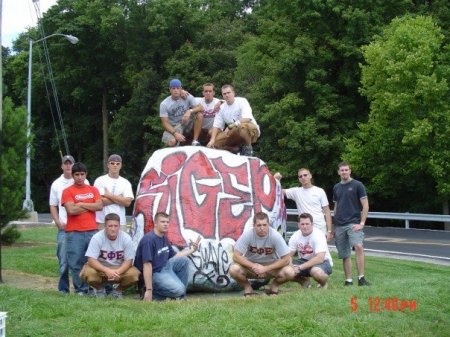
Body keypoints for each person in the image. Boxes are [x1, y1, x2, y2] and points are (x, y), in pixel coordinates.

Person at [134, 212, 201, 301]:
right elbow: (147, 265)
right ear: (156, 223)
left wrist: (192, 250)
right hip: (154, 273)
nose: (166, 224)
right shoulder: (148, 240)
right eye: (162, 222)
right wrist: (149, 289)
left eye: (167, 222)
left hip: (165, 268)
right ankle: (151, 294)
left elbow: (175, 256)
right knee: (179, 289)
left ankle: (181, 296)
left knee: (184, 261)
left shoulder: (163, 237)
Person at [229, 211, 294, 296]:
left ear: (268, 225)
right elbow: (236, 256)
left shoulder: (275, 235)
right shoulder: (248, 234)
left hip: (271, 267)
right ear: (254, 226)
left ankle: (274, 286)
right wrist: (253, 266)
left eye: (264, 225)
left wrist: (265, 268)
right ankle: (248, 288)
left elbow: (286, 259)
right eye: (259, 225)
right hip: (251, 267)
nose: (262, 228)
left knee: (289, 272)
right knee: (233, 269)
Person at [62, 162, 103, 295]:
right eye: (77, 175)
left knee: (92, 261)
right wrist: (90, 205)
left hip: (92, 230)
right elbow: (71, 210)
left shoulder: (93, 190)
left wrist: (81, 204)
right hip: (74, 233)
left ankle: (92, 288)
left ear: (86, 174)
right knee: (76, 262)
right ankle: (81, 289)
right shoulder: (67, 191)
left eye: (82, 174)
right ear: (72, 176)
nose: (80, 177)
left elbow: (99, 206)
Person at [49, 154, 89, 293]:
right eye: (65, 163)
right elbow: (53, 205)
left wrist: (79, 208)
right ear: (62, 166)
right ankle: (63, 289)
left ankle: (83, 288)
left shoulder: (85, 182)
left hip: (81, 228)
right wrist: (58, 222)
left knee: (81, 259)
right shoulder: (57, 184)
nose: (67, 165)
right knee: (64, 260)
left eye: (70, 163)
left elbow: (92, 204)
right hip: (65, 228)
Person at [80, 213, 140, 298]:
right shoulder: (97, 238)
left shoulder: (126, 238)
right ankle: (99, 290)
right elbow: (91, 259)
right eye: (110, 226)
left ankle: (118, 291)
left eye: (116, 226)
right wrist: (107, 270)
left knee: (134, 275)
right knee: (88, 273)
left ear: (119, 226)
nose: (113, 229)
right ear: (105, 226)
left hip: (119, 268)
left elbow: (129, 261)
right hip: (101, 268)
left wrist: (117, 272)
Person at [332, 161, 370, 286]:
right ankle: (348, 280)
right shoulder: (336, 187)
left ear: (350, 171)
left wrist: (362, 223)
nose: (344, 172)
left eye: (346, 170)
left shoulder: (358, 185)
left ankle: (361, 278)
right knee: (344, 254)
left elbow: (365, 205)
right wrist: (333, 226)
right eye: (342, 170)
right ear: (338, 172)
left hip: (353, 223)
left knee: (358, 246)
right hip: (339, 225)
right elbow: (336, 207)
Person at [274, 168, 333, 240]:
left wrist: (329, 231)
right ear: (299, 179)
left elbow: (327, 211)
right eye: (300, 176)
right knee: (305, 251)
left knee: (320, 251)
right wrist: (276, 180)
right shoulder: (296, 192)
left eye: (305, 175)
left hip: (319, 227)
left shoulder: (320, 191)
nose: (303, 177)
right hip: (304, 228)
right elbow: (278, 191)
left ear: (310, 176)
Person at [206, 84, 260, 156]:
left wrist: (231, 126)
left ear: (233, 93)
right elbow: (216, 125)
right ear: (222, 95)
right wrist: (212, 140)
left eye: (229, 93)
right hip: (234, 132)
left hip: (251, 130)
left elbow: (247, 118)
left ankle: (248, 149)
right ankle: (234, 149)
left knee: (242, 127)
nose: (227, 95)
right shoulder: (221, 108)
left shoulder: (242, 101)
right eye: (224, 94)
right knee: (213, 136)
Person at [288, 213, 333, 289]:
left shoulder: (318, 235)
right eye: (302, 224)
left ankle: (323, 283)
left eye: (307, 224)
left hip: (323, 262)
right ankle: (304, 281)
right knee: (285, 269)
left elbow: (320, 258)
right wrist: (290, 266)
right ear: (298, 225)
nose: (305, 226)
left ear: (312, 224)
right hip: (304, 261)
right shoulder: (295, 236)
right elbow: (288, 256)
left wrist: (299, 268)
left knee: (315, 272)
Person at [160, 78, 204, 147]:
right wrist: (175, 133)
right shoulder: (164, 104)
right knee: (172, 142)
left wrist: (189, 111)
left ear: (181, 88)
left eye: (178, 88)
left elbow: (201, 108)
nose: (176, 90)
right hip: (173, 127)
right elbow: (165, 123)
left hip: (186, 123)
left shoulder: (187, 96)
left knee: (199, 115)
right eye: (173, 88)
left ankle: (195, 141)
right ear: (170, 89)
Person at [94, 154, 134, 230]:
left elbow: (127, 203)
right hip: (102, 221)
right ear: (108, 165)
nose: (115, 165)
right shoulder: (99, 180)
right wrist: (120, 198)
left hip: (120, 222)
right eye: (112, 163)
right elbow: (100, 202)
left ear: (121, 165)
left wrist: (109, 195)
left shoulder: (126, 182)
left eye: (117, 164)